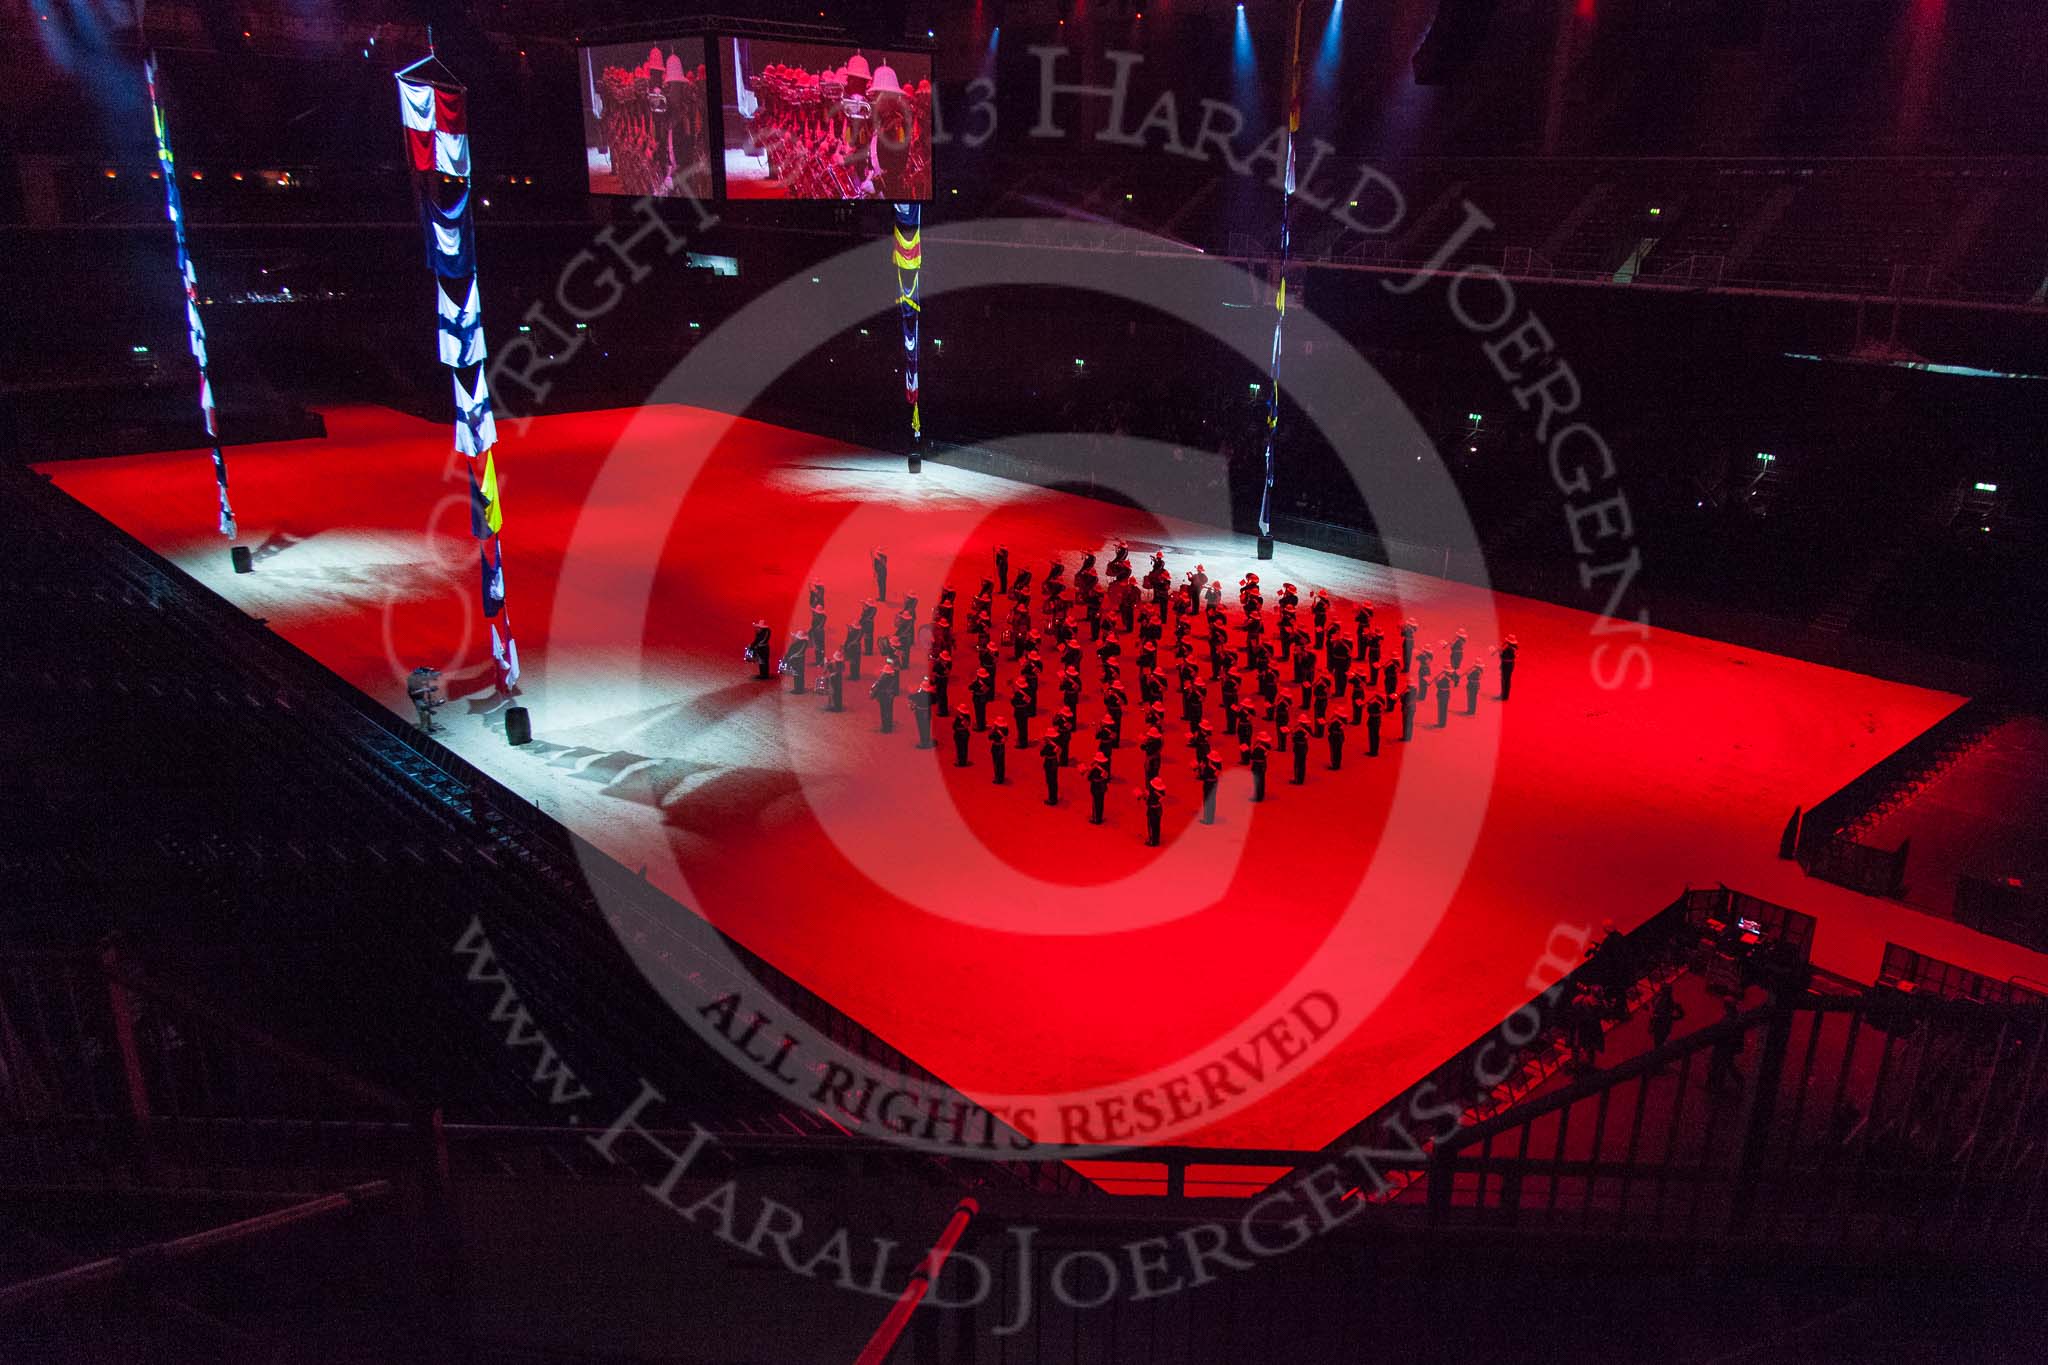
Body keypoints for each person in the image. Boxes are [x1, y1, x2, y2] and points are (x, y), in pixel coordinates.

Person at [1707, 996, 1745, 1092]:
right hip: (1729, 1046)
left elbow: (1723, 1031)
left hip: (1724, 1046)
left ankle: (1715, 1085)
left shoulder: (1729, 1018)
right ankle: (1738, 1081)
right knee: (1726, 1064)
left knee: (1718, 1064)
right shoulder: (1735, 1016)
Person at [1648, 982, 1685, 1053]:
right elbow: (1681, 1014)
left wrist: (1672, 1017)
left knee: (1659, 1038)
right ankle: (1661, 1048)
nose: (1660, 991)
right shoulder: (1667, 1000)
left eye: (1662, 990)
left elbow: (1655, 1011)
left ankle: (1660, 1050)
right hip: (1664, 1022)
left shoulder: (1665, 1001)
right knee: (1661, 1037)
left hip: (1662, 1022)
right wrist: (1673, 1017)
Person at [870, 661, 899, 734]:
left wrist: (872, 694)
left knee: (884, 711)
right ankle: (889, 726)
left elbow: (878, 685)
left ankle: (885, 728)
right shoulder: (893, 676)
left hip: (884, 696)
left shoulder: (883, 677)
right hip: (890, 696)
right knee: (889, 710)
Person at [910, 677, 936, 749]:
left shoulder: (918, 694)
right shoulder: (931, 695)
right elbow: (935, 701)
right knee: (927, 726)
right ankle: (927, 740)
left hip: (920, 711)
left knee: (921, 727)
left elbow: (911, 697)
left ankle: (923, 742)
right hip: (927, 711)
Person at [782, 630, 810, 695]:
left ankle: (799, 689)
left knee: (798, 674)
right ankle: (798, 688)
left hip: (798, 660)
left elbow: (795, 652)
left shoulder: (801, 643)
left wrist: (788, 658)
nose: (795, 638)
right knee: (797, 674)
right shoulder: (802, 643)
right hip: (797, 660)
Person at [1196, 752, 1220, 824]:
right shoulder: (1218, 765)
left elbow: (1203, 777)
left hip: (1208, 785)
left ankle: (1207, 819)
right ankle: (1211, 818)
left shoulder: (1209, 768)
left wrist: (1200, 769)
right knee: (1212, 801)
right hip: (1214, 784)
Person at [1141, 776, 1166, 846]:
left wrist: (1144, 797)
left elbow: (1148, 801)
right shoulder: (1161, 793)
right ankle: (1156, 840)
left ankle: (1152, 840)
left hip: (1152, 810)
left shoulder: (1153, 794)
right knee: (1157, 825)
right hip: (1158, 810)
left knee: (1152, 825)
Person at [1087, 753, 1111, 824]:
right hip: (1102, 787)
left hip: (1096, 787)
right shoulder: (1105, 767)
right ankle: (1100, 817)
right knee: (1101, 802)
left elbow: (1089, 777)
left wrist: (1090, 769)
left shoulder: (1095, 769)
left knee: (1095, 803)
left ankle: (1096, 819)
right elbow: (1106, 777)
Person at [1040, 736, 1062, 806]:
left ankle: (1052, 799)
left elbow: (1042, 753)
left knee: (1050, 781)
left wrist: (1042, 746)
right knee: (1054, 781)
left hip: (1049, 763)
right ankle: (1054, 798)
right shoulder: (1056, 744)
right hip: (1054, 762)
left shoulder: (1048, 746)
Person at [1249, 734, 1270, 802]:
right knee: (1261, 780)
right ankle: (1261, 795)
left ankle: (1258, 797)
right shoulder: (1266, 746)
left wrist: (1248, 751)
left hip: (1257, 765)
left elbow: (1252, 757)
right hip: (1262, 764)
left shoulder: (1258, 748)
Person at [988, 719, 1009, 784]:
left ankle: (998, 778)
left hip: (996, 747)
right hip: (1002, 746)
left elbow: (990, 737)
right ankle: (1001, 777)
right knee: (1001, 762)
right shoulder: (1005, 730)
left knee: (997, 763)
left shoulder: (996, 732)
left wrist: (992, 730)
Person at [1498, 635, 1519, 701]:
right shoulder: (1514, 648)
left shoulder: (1509, 649)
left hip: (1506, 665)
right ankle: (1504, 694)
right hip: (1510, 664)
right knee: (1507, 679)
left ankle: (1504, 696)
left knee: (1505, 680)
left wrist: (1500, 651)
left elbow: (1502, 656)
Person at [1364, 693, 1384, 757]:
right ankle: (1375, 751)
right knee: (1376, 736)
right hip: (1377, 720)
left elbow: (1369, 710)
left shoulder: (1376, 704)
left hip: (1373, 720)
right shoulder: (1381, 703)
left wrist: (1369, 704)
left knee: (1372, 737)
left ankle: (1373, 752)